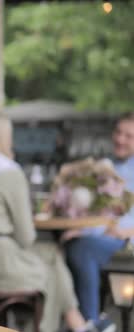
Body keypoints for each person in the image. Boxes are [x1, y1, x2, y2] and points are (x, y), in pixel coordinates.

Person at [0, 111, 113, 332]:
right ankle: (60, 326)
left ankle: (79, 326)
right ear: (3, 136)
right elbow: (26, 237)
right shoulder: (7, 171)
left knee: (51, 258)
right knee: (53, 259)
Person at [64, 112, 134, 322]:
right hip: (102, 238)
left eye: (129, 136)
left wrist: (124, 232)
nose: (120, 139)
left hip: (126, 243)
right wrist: (79, 228)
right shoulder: (108, 167)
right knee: (63, 245)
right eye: (118, 132)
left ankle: (90, 323)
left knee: (81, 248)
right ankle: (80, 322)